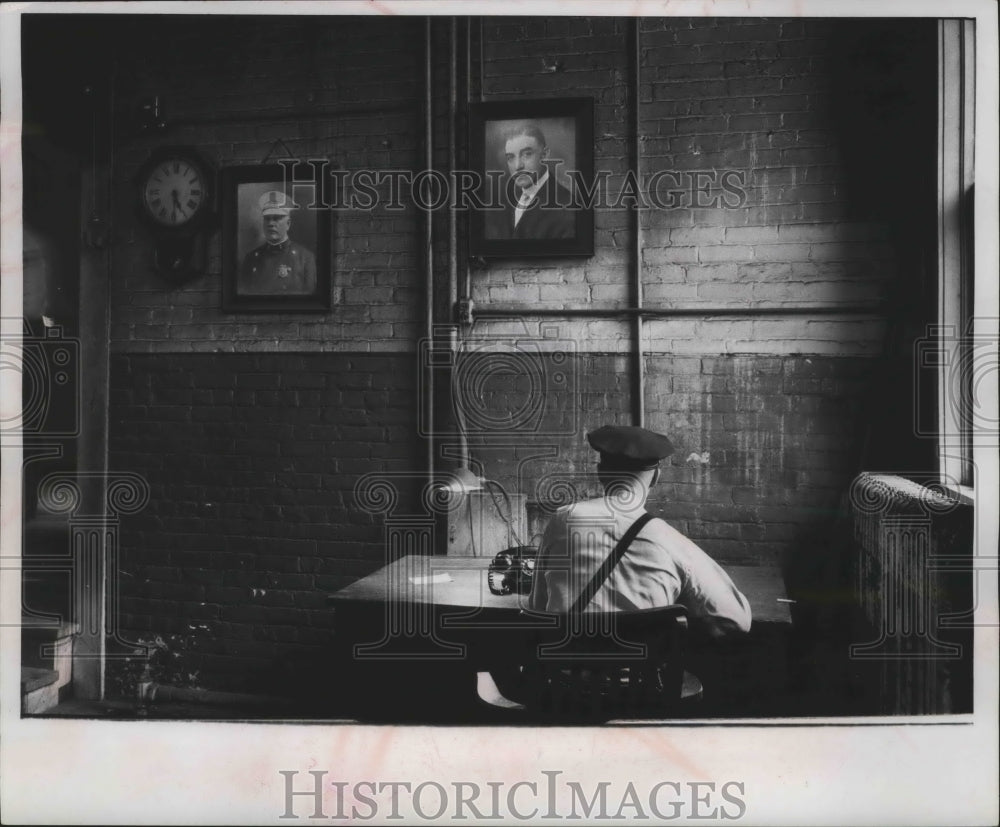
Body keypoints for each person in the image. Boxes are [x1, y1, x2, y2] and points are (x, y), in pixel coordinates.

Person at [528, 425, 752, 639]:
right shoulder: (670, 541)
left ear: (601, 473)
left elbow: (538, 605)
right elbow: (737, 621)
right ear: (655, 477)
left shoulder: (562, 520)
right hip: (645, 679)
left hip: (563, 678)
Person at [485, 123, 577, 240]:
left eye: (527, 154)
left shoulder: (568, 208)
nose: (518, 166)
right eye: (510, 157)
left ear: (544, 155)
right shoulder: (503, 198)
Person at [239, 190, 316, 295]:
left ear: (288, 224)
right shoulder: (251, 258)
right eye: (267, 218)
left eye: (276, 218)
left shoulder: (305, 258)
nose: (271, 223)